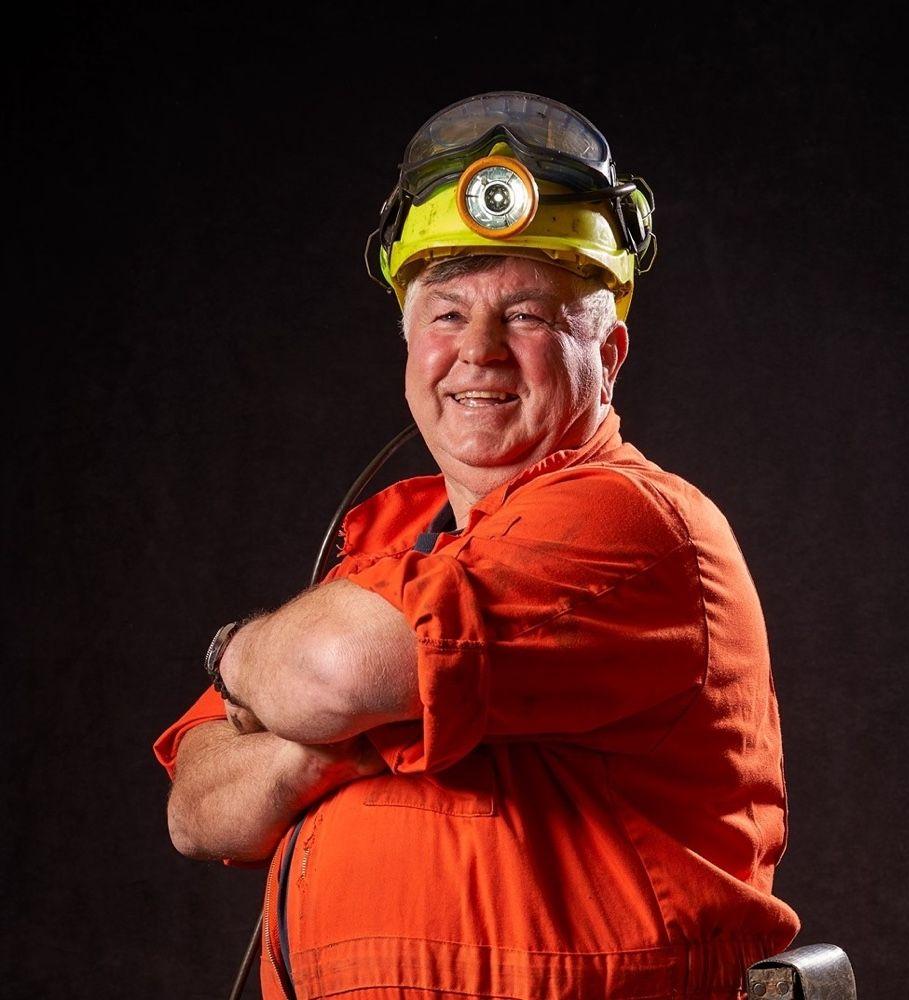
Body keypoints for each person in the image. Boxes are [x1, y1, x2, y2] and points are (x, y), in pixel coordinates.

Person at [155, 91, 800, 1000]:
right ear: (409, 343)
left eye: (529, 314)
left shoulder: (632, 521)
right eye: (447, 314)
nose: (480, 351)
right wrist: (331, 748)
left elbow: (333, 673)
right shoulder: (384, 541)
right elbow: (197, 808)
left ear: (609, 355)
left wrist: (236, 655)